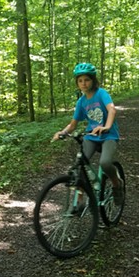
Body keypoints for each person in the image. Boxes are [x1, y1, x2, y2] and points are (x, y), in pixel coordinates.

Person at [53, 63, 123, 205]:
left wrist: (106, 126)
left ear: (93, 80)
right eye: (80, 81)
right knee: (80, 166)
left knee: (105, 163)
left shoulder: (101, 94)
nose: (83, 83)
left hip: (109, 135)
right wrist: (62, 132)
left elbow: (112, 110)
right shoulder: (81, 102)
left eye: (87, 80)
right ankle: (78, 201)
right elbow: (73, 125)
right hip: (92, 136)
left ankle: (117, 184)